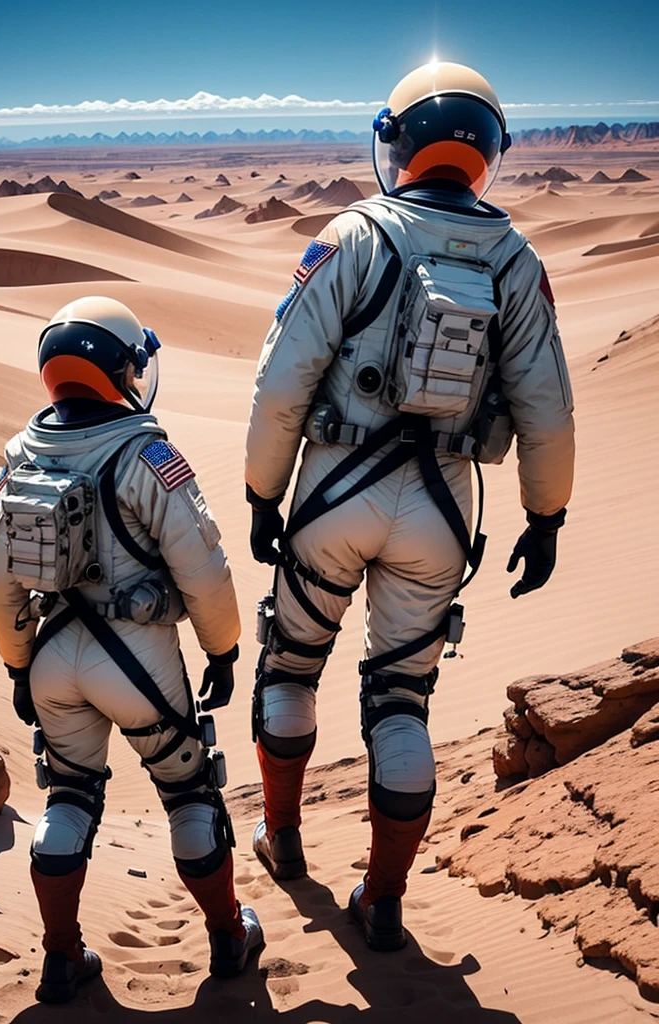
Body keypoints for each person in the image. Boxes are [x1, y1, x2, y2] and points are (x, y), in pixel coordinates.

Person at [244, 62, 575, 952]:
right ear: (488, 154)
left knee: (290, 670)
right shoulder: (515, 259)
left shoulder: (352, 235)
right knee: (400, 702)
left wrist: (261, 494)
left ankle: (282, 842)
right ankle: (383, 901)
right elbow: (548, 408)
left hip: (332, 495)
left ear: (395, 142)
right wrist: (546, 520)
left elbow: (281, 386)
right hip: (441, 512)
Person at [0, 296, 262, 1004]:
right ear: (122, 370)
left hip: (53, 656)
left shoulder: (22, 454)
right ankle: (229, 936)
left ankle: (62, 956)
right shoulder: (147, 453)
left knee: (70, 796)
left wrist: (19, 668)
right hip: (137, 660)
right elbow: (203, 568)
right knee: (188, 792)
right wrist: (223, 653)